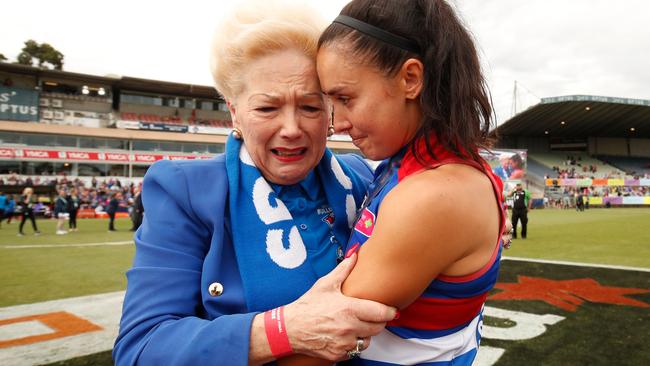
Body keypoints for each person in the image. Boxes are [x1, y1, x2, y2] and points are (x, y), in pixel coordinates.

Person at [113, 2, 397, 365]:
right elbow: (141, 348)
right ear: (234, 111)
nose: (292, 128)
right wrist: (284, 330)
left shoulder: (362, 177)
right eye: (267, 108)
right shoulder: (185, 190)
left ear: (329, 110)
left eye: (310, 107)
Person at [300, 0, 507, 364]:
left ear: (410, 79)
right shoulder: (412, 162)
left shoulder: (436, 194)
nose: (338, 123)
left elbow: (319, 343)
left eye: (346, 98)